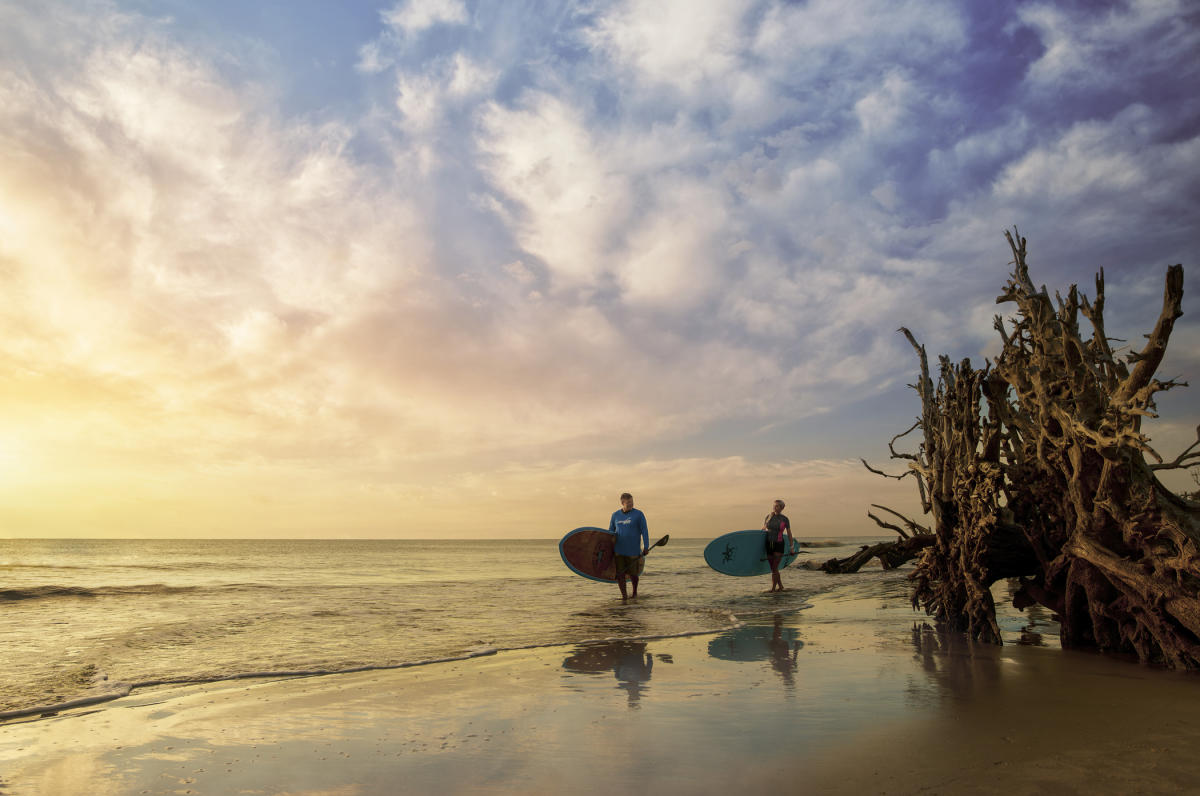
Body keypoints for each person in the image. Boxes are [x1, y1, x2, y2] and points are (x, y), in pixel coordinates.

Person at [608, 492, 650, 601]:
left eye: (632, 502)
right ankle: (624, 596)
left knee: (633, 574)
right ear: (622, 503)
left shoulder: (639, 514)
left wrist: (646, 546)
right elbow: (610, 532)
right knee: (620, 574)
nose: (631, 504)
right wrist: (608, 548)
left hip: (633, 550)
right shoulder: (615, 515)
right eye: (629, 502)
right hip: (619, 550)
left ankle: (635, 593)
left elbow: (644, 531)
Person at [762, 499, 794, 592]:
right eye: (774, 505)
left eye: (777, 506)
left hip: (779, 544)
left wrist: (791, 548)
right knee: (773, 568)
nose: (775, 507)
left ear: (782, 508)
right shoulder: (768, 516)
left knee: (775, 568)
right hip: (769, 543)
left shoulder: (785, 519)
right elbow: (764, 529)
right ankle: (780, 586)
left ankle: (773, 588)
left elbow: (789, 534)